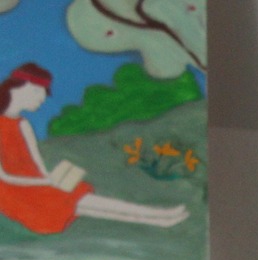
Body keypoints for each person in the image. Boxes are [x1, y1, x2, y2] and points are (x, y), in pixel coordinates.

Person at [0, 64, 188, 234]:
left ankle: (158, 218)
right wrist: (44, 182)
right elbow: (4, 177)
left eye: (43, 94)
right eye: (36, 92)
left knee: (79, 199)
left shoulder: (23, 124)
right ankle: (157, 216)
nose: (41, 100)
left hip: (37, 185)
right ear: (19, 87)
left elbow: (37, 163)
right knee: (77, 200)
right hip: (11, 191)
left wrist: (48, 178)